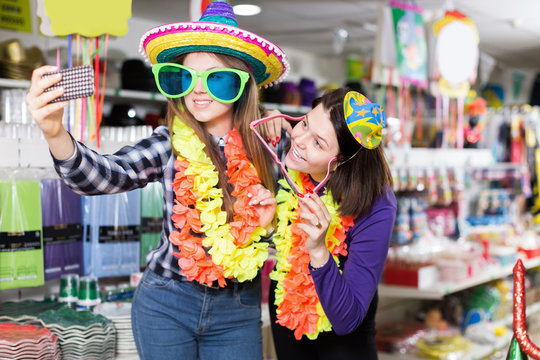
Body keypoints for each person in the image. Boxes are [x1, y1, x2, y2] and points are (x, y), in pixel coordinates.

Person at [25, 1, 289, 359]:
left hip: (237, 305)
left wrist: (270, 221)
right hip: (167, 300)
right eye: (185, 76)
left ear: (242, 85)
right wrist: (55, 132)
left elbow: (302, 221)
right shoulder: (168, 143)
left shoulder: (271, 144)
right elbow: (105, 176)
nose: (198, 90)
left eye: (217, 78)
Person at [264, 88, 397, 359]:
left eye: (318, 143)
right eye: (304, 123)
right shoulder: (287, 157)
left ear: (340, 163)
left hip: (343, 339)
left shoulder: (377, 203)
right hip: (287, 313)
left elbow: (347, 320)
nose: (298, 140)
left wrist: (319, 252)